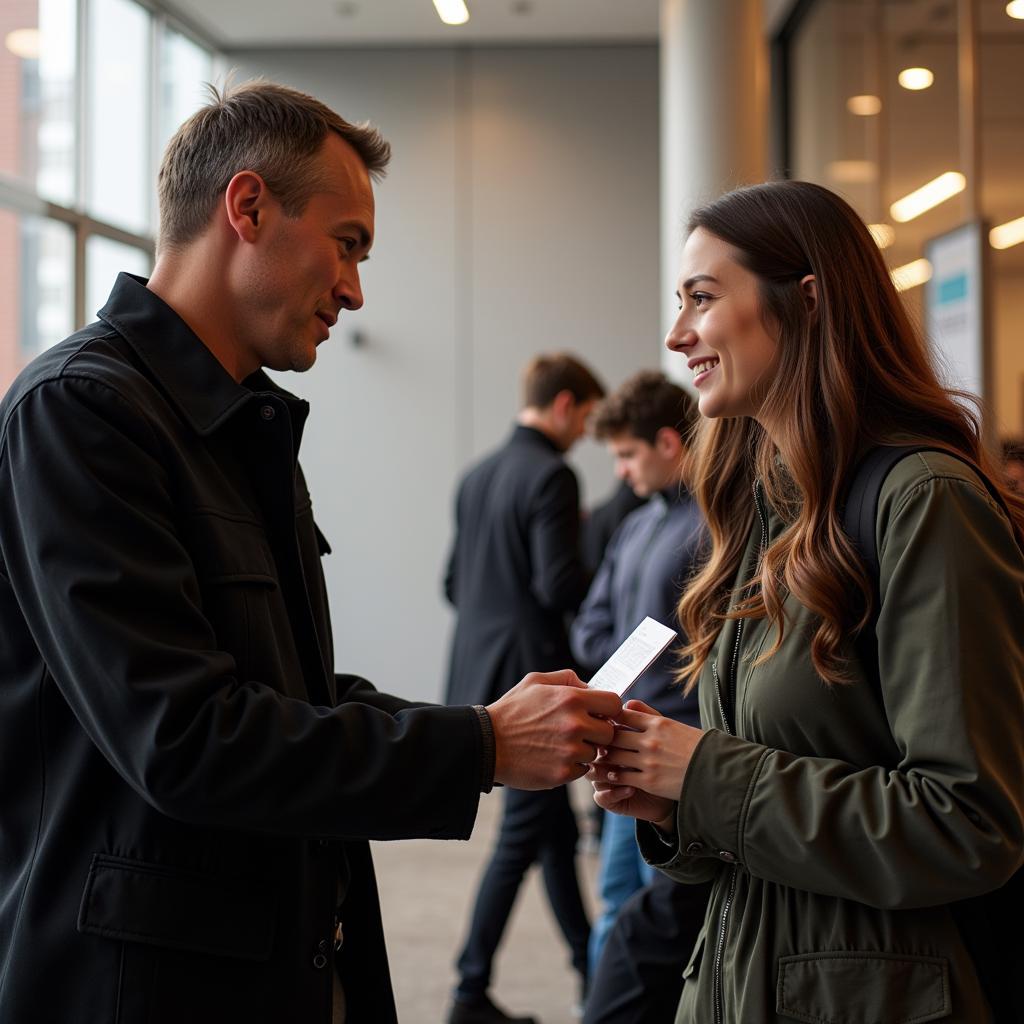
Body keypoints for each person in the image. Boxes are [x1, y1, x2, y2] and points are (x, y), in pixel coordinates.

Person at [0, 81, 624, 1024]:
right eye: (348, 245)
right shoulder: (80, 412)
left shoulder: (239, 423)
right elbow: (185, 738)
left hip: (275, 955)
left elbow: (293, 696)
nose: (355, 290)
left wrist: (490, 726)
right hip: (150, 988)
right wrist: (482, 744)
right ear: (247, 207)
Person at [588, 181, 1024, 1024]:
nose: (677, 336)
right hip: (749, 980)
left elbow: (969, 824)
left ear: (809, 301)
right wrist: (676, 801)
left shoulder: (923, 499)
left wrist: (704, 774)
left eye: (703, 299)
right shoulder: (763, 512)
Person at [444, 353, 605, 1024]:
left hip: (477, 675)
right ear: (565, 405)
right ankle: (467, 990)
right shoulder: (553, 476)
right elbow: (557, 585)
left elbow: (452, 583)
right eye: (589, 419)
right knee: (522, 838)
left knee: (552, 836)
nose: (587, 436)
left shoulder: (476, 476)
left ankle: (591, 969)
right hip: (533, 681)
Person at [568, 370, 711, 1024]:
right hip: (621, 751)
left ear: (667, 443)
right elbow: (590, 623)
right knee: (618, 913)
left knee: (664, 931)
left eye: (628, 455)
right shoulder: (634, 529)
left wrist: (630, 653)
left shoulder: (712, 527)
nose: (621, 472)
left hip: (675, 759)